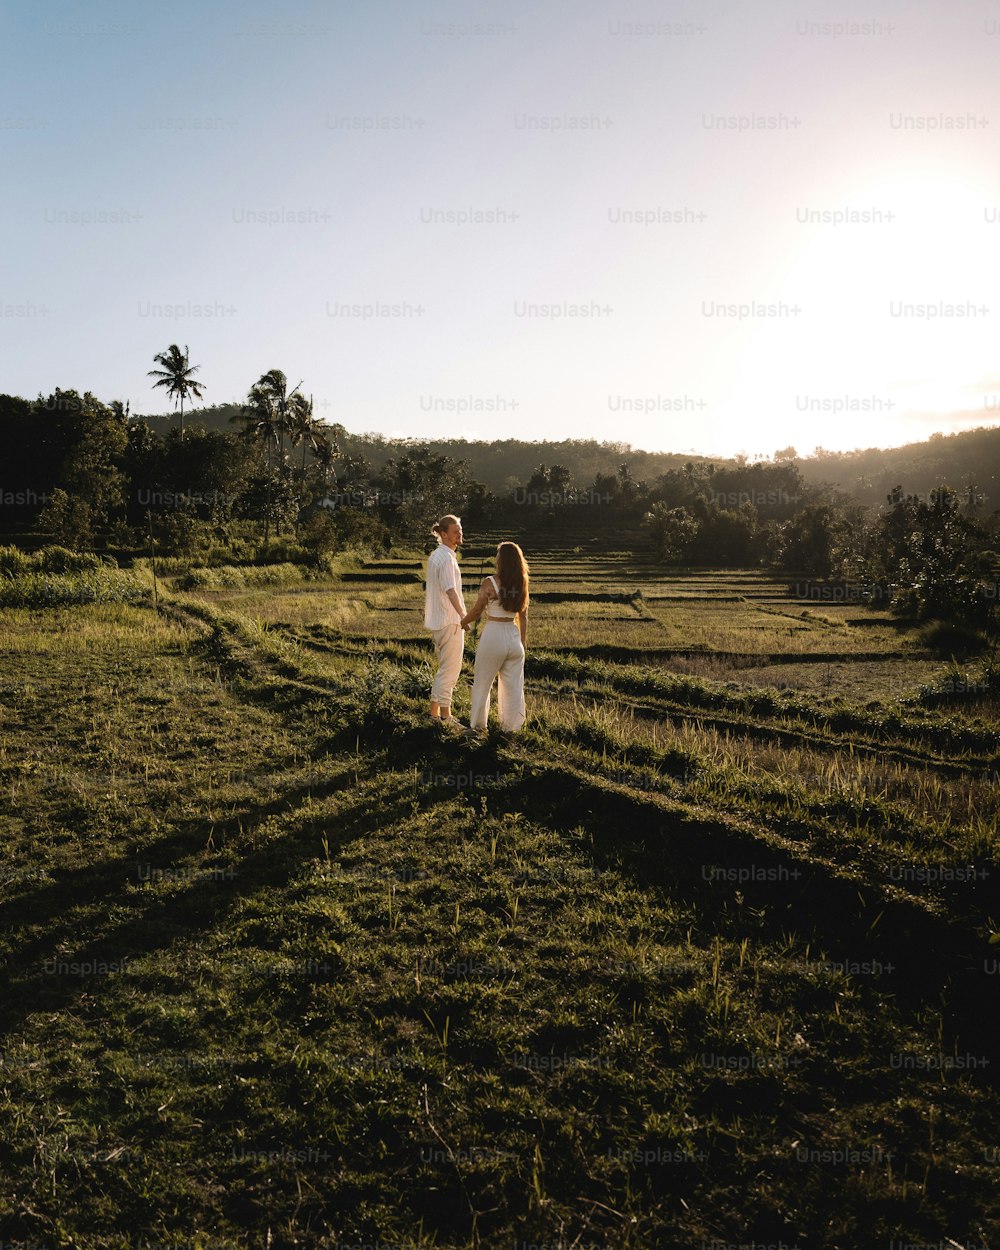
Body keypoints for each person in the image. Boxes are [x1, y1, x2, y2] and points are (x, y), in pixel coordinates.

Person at [460, 540, 529, 734]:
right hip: (514, 637)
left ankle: (478, 726)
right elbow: (523, 616)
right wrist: (521, 643)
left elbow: (477, 610)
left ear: (502, 560)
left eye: (498, 554)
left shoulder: (489, 583)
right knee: (513, 687)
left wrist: (463, 622)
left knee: (482, 682)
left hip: (494, 634)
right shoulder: (522, 582)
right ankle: (511, 728)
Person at [424, 514, 467, 727]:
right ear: (443, 534)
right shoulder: (448, 558)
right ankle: (445, 717)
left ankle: (435, 716)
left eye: (460, 530)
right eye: (455, 531)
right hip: (450, 621)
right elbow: (451, 591)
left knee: (444, 669)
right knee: (450, 671)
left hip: (438, 622)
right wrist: (463, 616)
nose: (459, 534)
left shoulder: (435, 556)